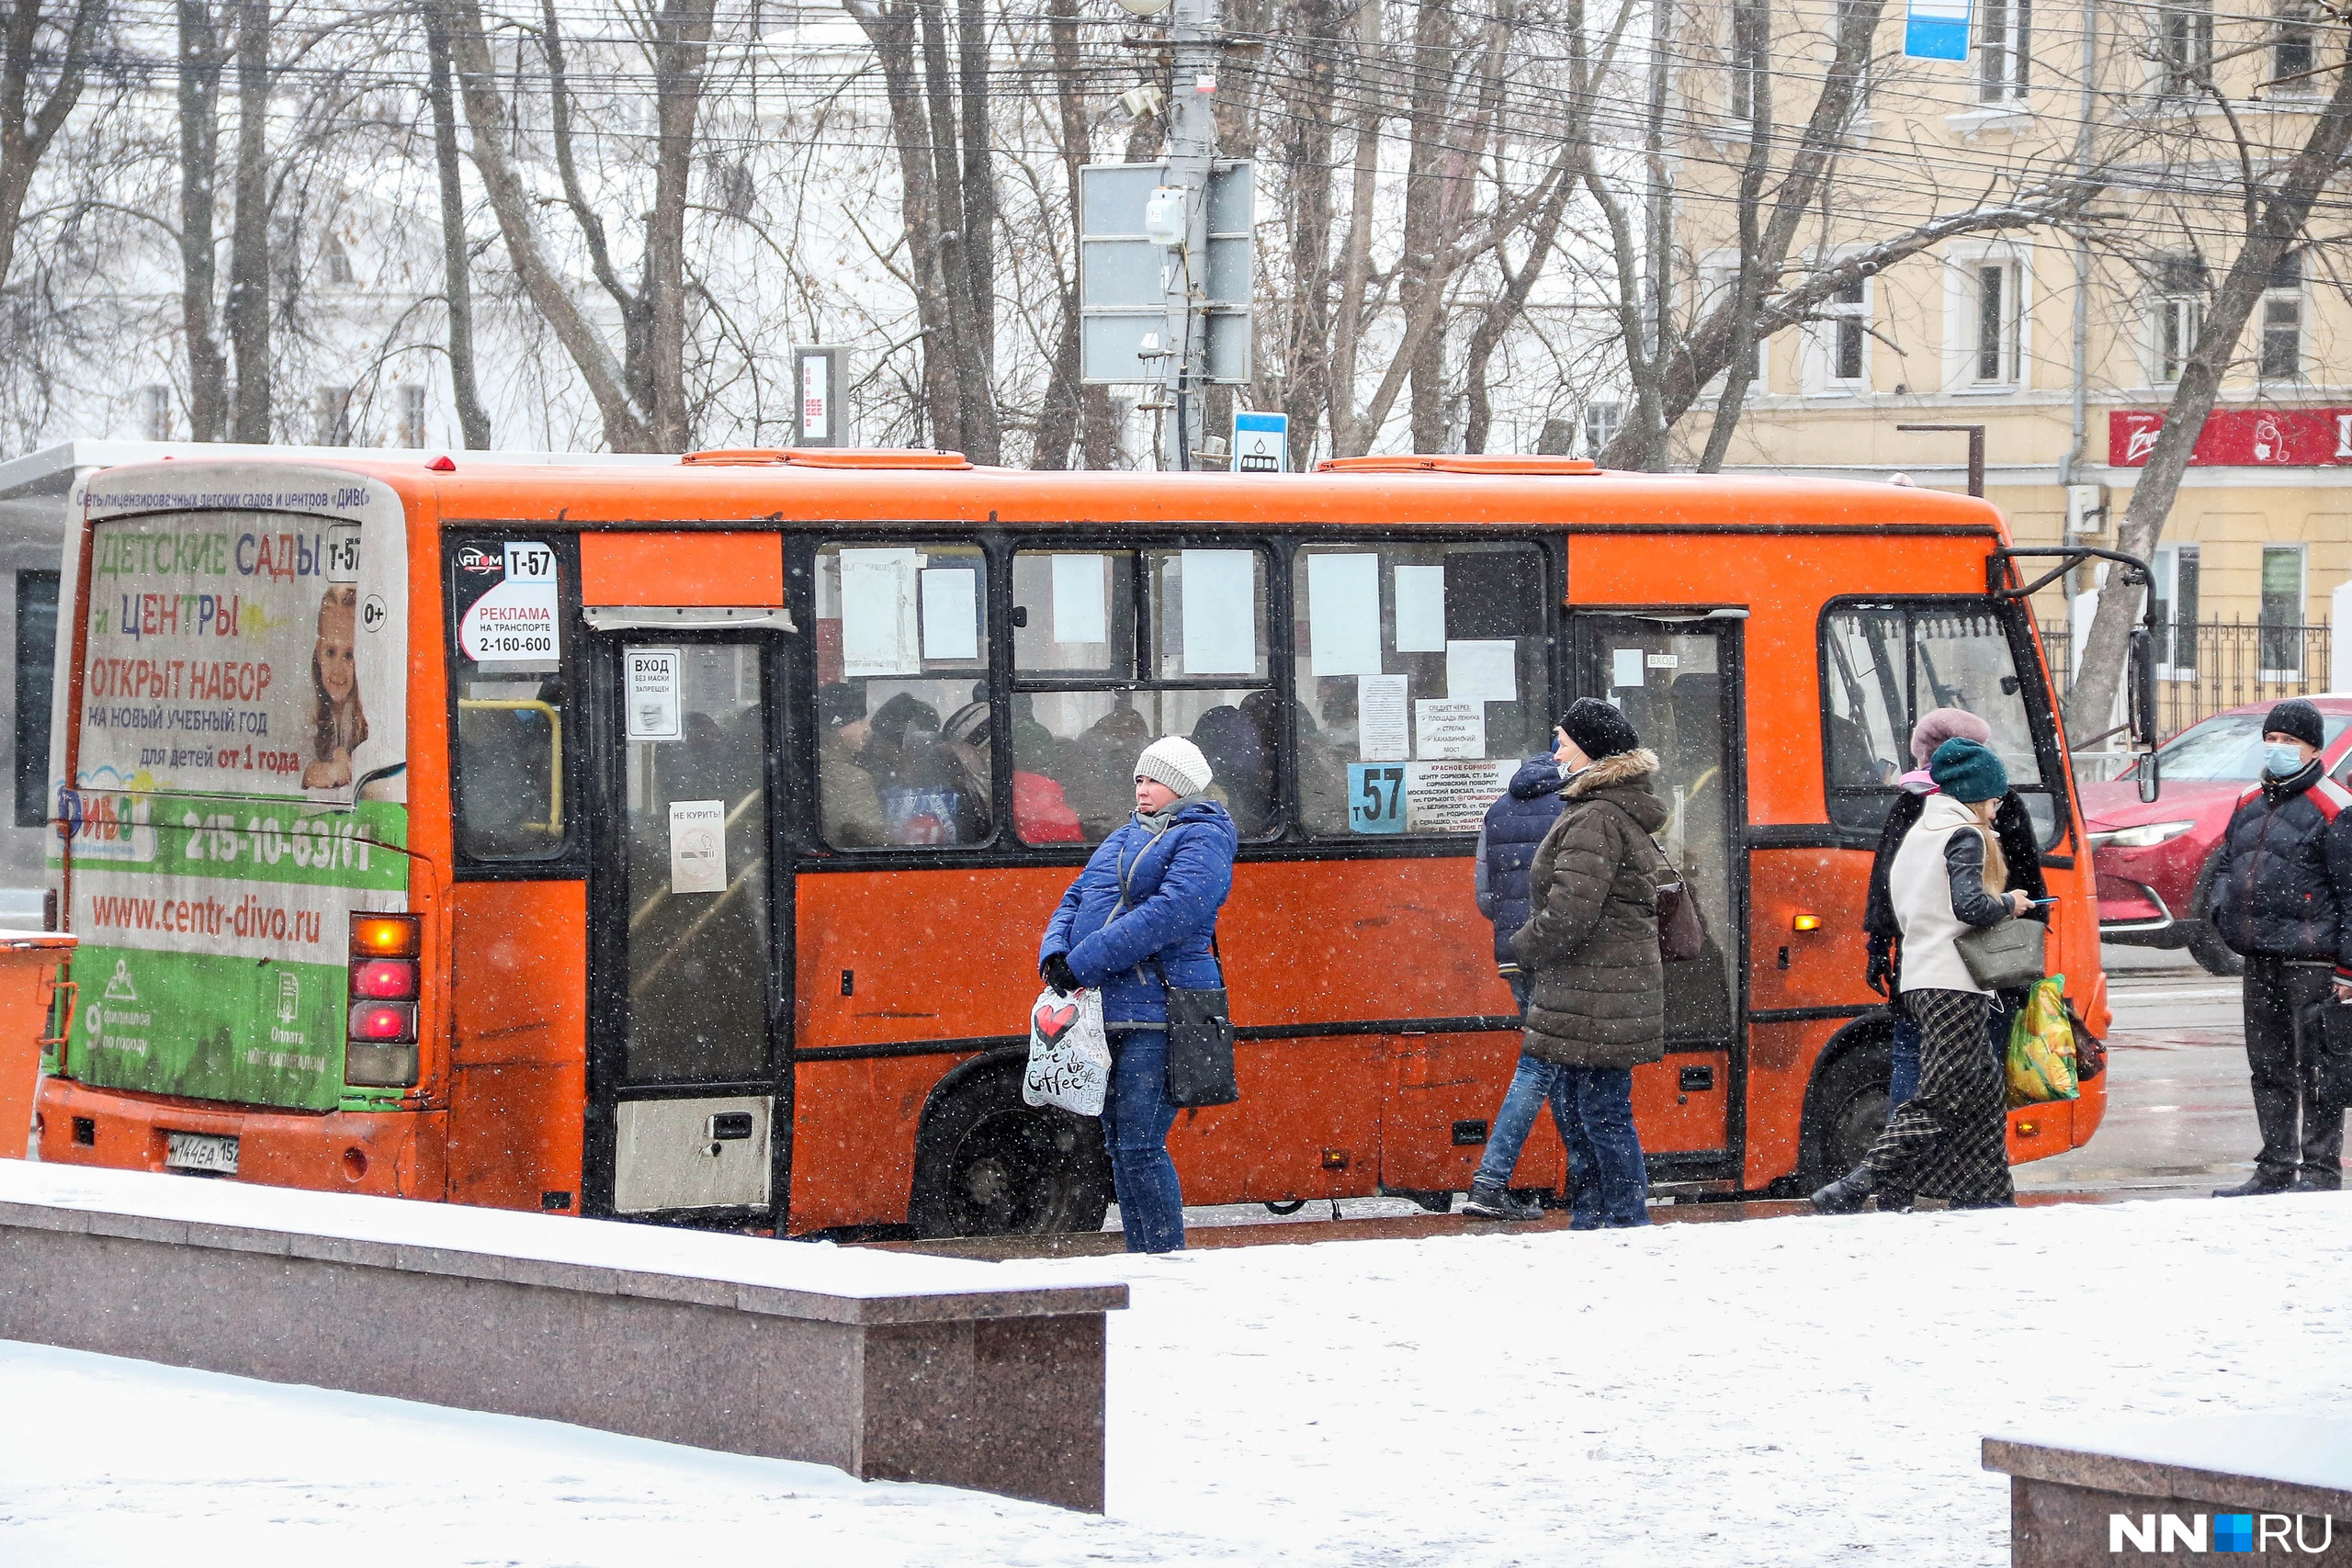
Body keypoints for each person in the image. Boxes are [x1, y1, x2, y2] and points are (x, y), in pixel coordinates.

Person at [1814, 736, 2033, 1214]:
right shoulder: (1964, 835)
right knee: (1941, 1093)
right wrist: (2012, 903)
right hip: (1952, 980)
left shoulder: (1920, 831)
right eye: (1994, 801)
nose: (1997, 811)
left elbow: (1904, 906)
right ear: (1977, 794)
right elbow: (1970, 905)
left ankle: (1990, 1194)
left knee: (1983, 1088)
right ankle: (1859, 1183)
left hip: (1920, 976)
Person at [1038, 736, 1238, 1253]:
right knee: (1120, 1145)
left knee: (1141, 1143)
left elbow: (1172, 915)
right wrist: (1054, 953)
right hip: (1110, 1010)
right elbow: (1076, 895)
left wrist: (1082, 962)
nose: (1141, 788)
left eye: (1152, 779)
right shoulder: (1125, 835)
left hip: (1163, 1011)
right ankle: (1142, 1257)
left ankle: (1164, 1258)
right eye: (1138, 779)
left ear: (1181, 785)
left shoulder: (1204, 837)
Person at [1505, 698, 1668, 1229]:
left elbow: (1570, 913)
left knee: (1597, 1112)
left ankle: (1620, 1220)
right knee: (1587, 1111)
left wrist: (1522, 946)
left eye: (1565, 740)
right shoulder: (1605, 809)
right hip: (1599, 989)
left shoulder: (1596, 816)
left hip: (1597, 991)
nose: (1557, 751)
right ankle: (1598, 1217)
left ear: (1592, 751)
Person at [1862, 709, 2047, 1108]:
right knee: (1979, 1074)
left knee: (1913, 1057)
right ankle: (1919, 1161)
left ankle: (1909, 1152)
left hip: (1917, 966)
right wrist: (2024, 927)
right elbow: (2027, 884)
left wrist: (1879, 947)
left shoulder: (1912, 805)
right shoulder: (1991, 804)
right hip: (1984, 966)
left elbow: (1886, 886)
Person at [2207, 698, 2352, 1195]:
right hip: (2259, 954)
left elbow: (2351, 892)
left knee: (2316, 1068)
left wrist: (2347, 971)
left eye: (2288, 741)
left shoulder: (2335, 807)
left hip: (2312, 958)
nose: (2277, 749)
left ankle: (2318, 1170)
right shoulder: (2249, 800)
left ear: (2314, 747)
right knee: (2266, 1066)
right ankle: (2273, 1167)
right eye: (2271, 740)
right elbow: (2227, 864)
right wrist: (2223, 912)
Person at [1460, 739, 1570, 1221]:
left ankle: (1582, 1175)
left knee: (1558, 1061)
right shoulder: (1575, 806)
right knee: (1543, 1066)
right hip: (1558, 955)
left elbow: (1486, 899)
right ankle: (1490, 1182)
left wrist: (1516, 925)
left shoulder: (1499, 808)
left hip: (1514, 957)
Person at [302, 584, 368, 789]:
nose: (338, 670)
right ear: (319, 651)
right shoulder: (305, 707)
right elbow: (284, 771)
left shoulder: (372, 712)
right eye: (330, 652)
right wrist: (321, 771)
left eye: (349, 655)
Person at [817, 684, 885, 848]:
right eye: (860, 720)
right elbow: (877, 840)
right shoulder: (852, 780)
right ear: (837, 726)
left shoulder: (815, 762)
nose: (867, 728)